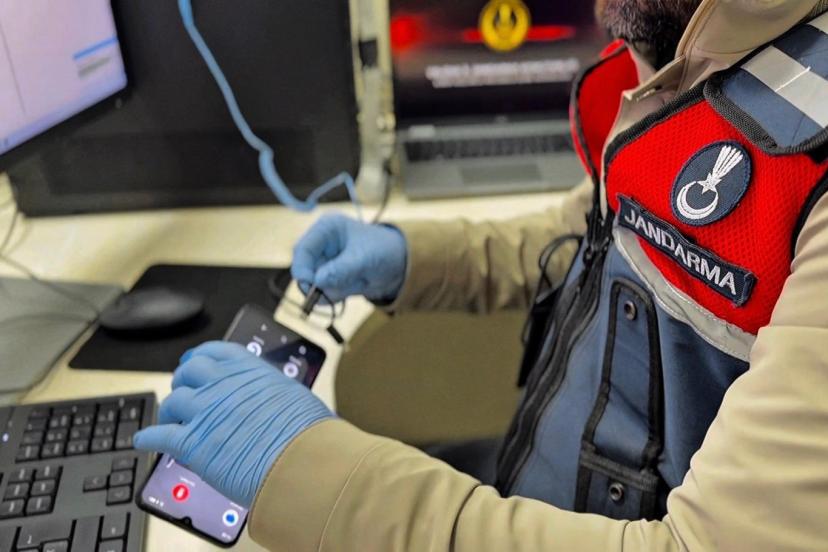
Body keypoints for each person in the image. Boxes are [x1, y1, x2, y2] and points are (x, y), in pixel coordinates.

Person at [135, 0, 828, 549]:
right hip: (545, 476)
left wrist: (307, 473)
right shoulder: (706, 47)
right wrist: (415, 256)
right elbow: (601, 224)